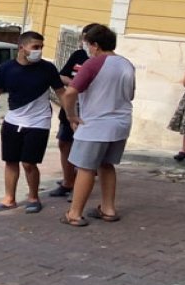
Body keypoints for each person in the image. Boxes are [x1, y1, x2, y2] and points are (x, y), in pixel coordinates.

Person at [58, 24, 136, 226]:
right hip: (120, 122)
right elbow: (131, 94)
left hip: (95, 123)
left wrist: (71, 115)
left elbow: (70, 92)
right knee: (106, 165)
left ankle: (74, 213)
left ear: (95, 45)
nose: (88, 49)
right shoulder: (126, 64)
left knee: (85, 168)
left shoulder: (93, 64)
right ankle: (108, 208)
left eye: (89, 45)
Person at [0, 31, 65, 214]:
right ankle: (9, 199)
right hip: (13, 120)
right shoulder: (6, 68)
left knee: (29, 163)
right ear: (22, 48)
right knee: (10, 161)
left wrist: (71, 116)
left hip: (39, 122)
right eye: (35, 47)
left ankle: (33, 197)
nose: (39, 51)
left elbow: (61, 93)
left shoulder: (48, 68)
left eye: (41, 47)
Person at [46, 24, 95, 198]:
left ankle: (82, 184)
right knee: (64, 142)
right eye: (83, 39)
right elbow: (63, 75)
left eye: (87, 39)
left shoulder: (105, 61)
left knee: (86, 148)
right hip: (73, 106)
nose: (84, 43)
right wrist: (76, 83)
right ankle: (68, 182)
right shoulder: (78, 55)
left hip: (92, 110)